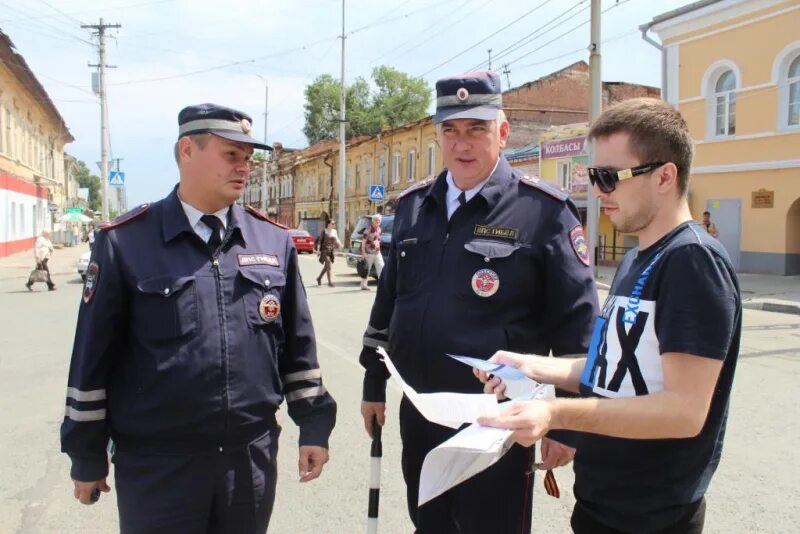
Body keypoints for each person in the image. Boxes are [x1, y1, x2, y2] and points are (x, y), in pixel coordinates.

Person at [60, 103, 337, 533]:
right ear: (187, 150)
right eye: (231, 155)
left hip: (249, 461)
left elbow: (297, 348)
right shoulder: (126, 243)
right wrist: (86, 454)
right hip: (159, 466)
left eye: (248, 158)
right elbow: (91, 359)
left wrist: (314, 424)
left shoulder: (271, 240)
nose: (244, 167)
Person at [477, 98, 741, 534]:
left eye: (608, 177)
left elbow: (684, 411)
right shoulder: (639, 257)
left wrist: (555, 415)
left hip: (653, 516)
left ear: (665, 176)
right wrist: (531, 367)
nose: (598, 191)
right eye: (592, 175)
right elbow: (613, 370)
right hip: (605, 503)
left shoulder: (692, 261)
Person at [358, 71, 599, 533]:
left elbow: (578, 324)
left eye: (476, 129)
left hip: (498, 422)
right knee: (429, 524)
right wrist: (373, 382)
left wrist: (567, 425)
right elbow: (389, 303)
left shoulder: (543, 211)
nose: (461, 144)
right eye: (450, 130)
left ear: (503, 133)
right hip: (422, 412)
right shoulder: (413, 206)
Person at [359, 213, 384, 291]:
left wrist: (378, 246)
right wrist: (363, 252)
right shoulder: (368, 229)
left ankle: (383, 285)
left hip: (377, 252)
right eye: (376, 220)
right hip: (369, 253)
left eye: (379, 220)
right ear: (373, 221)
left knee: (382, 267)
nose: (378, 222)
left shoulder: (379, 229)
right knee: (367, 269)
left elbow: (378, 240)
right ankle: (363, 285)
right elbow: (363, 241)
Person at [314, 218, 342, 287]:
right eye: (332, 223)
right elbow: (320, 241)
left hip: (331, 251)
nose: (334, 225)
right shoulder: (324, 231)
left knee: (326, 266)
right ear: (328, 224)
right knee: (329, 265)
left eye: (334, 224)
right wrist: (318, 250)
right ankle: (330, 282)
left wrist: (340, 244)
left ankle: (319, 278)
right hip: (324, 250)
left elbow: (337, 239)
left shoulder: (334, 231)